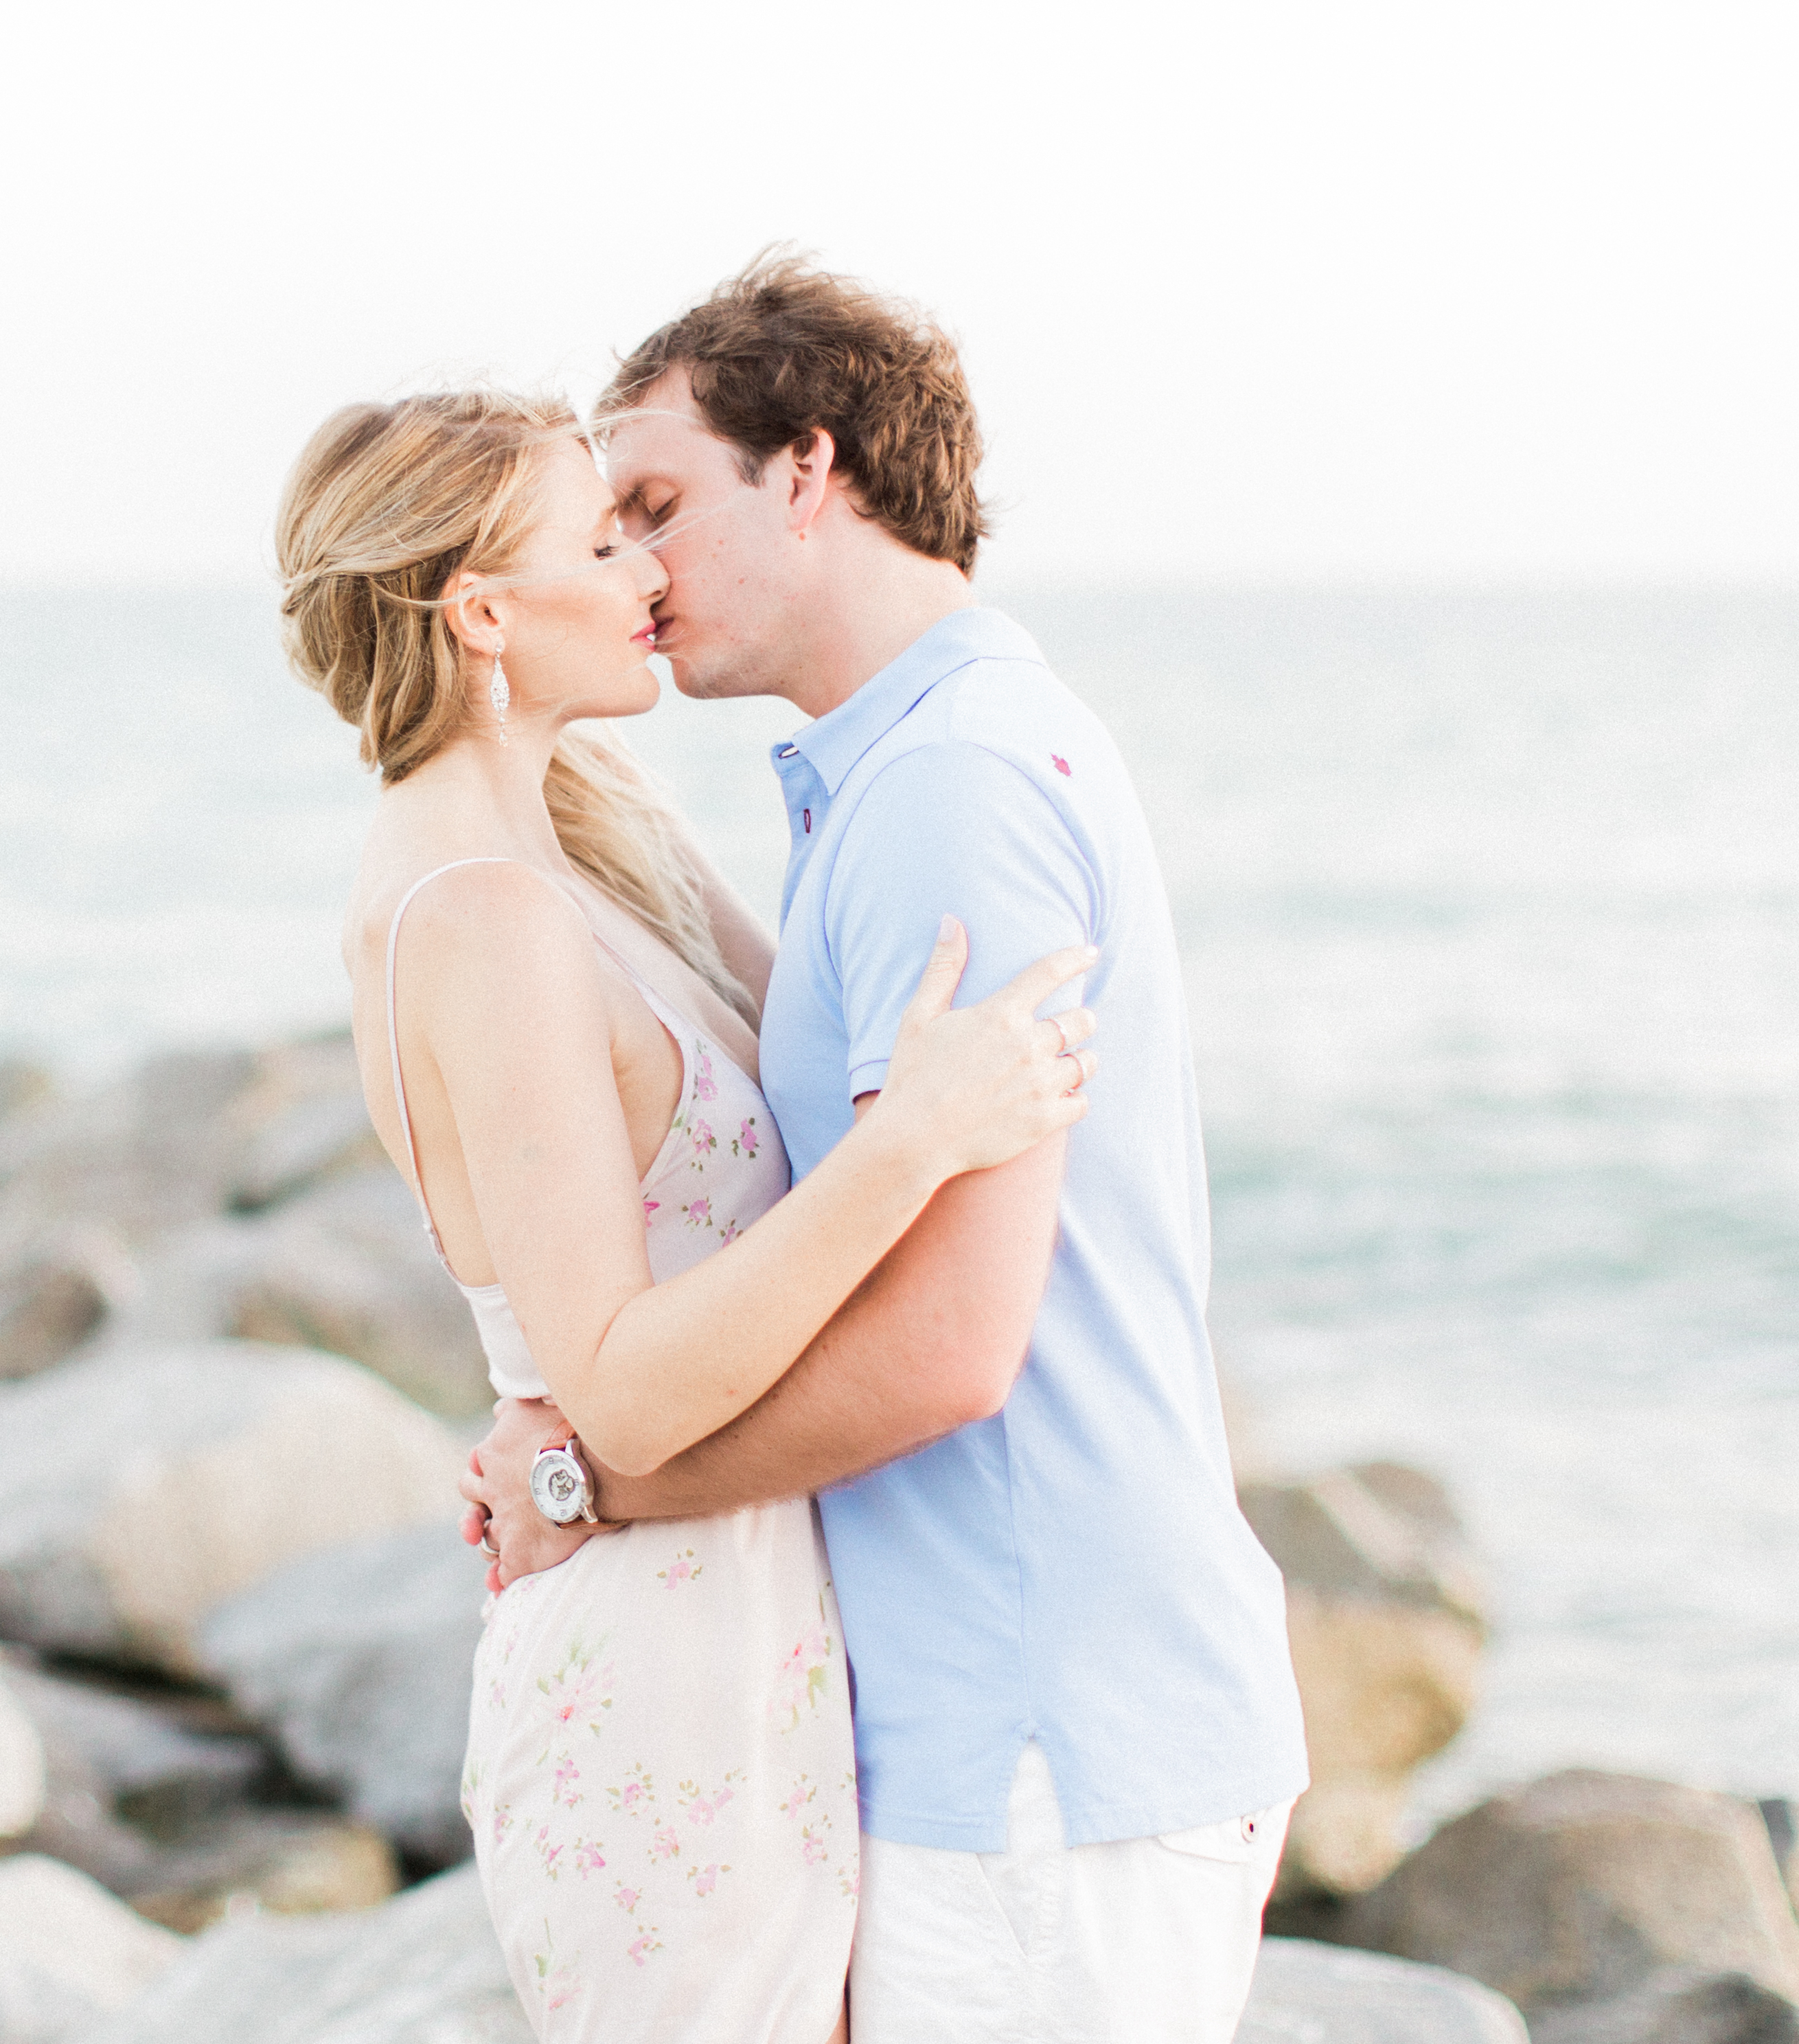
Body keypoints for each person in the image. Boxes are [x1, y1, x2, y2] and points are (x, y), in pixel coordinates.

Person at [462, 251, 1309, 2043]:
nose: (634, 567)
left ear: (811, 470)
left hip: (1035, 1743)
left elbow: (948, 1349)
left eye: (659, 503)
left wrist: (590, 1488)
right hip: (1027, 1723)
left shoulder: (948, 794)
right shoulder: (925, 766)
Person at [275, 384, 1097, 2043]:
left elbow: (812, 1067)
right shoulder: (479, 912)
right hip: (661, 1684)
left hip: (751, 1610)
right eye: (600, 538)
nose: (646, 569)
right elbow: (626, 1378)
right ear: (484, 612)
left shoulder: (588, 827)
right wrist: (914, 1143)